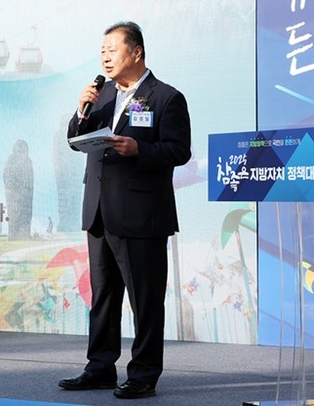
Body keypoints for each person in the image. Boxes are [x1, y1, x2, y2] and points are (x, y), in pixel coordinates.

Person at [60, 21, 191, 399]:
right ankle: (99, 367)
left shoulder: (165, 97)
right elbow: (75, 140)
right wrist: (81, 109)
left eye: (112, 50)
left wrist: (140, 150)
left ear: (136, 52)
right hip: (99, 212)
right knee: (103, 297)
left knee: (144, 300)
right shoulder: (100, 97)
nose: (105, 57)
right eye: (102, 51)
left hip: (141, 215)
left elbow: (179, 150)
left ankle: (144, 374)